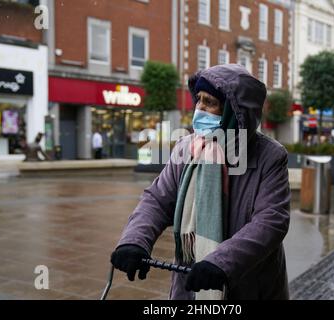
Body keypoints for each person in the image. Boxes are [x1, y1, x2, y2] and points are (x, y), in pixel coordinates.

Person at [110, 64, 291, 300]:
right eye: (198, 100)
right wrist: (134, 241)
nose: (199, 108)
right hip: (192, 281)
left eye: (210, 102)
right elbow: (157, 199)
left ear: (232, 111)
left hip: (249, 286)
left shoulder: (270, 155)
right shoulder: (187, 147)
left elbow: (271, 221)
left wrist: (221, 262)